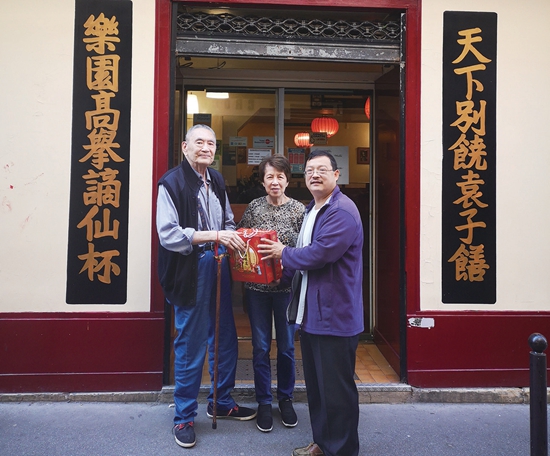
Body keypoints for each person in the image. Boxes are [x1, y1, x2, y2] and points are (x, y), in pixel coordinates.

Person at [156, 124, 256, 449]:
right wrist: (214, 236)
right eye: (198, 142)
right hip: (191, 267)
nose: (205, 148)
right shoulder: (171, 182)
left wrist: (233, 236)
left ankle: (221, 401)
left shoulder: (216, 179)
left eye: (211, 143)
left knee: (224, 336)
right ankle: (184, 416)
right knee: (191, 343)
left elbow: (226, 221)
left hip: (219, 262)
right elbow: (168, 234)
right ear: (185, 147)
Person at [258, 150, 364, 456]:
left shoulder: (342, 211)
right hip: (313, 314)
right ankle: (323, 443)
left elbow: (320, 254)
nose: (314, 175)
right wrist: (280, 276)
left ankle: (341, 451)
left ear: (336, 175)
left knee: (337, 392)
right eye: (309, 171)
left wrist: (282, 253)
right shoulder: (313, 209)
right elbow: (303, 254)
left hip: (335, 316)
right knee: (319, 389)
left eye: (321, 170)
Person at [237, 155, 305, 432]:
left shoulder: (299, 210)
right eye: (269, 177)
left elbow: (305, 249)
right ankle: (264, 401)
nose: (275, 182)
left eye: (280, 176)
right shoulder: (254, 207)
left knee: (287, 347)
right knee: (261, 347)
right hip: (257, 290)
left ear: (287, 180)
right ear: (263, 181)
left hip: (286, 290)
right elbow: (241, 240)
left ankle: (285, 398)